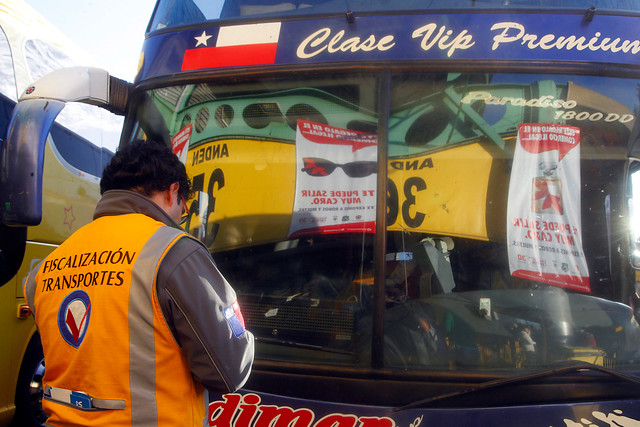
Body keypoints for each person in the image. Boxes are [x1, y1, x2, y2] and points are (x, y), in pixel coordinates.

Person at [23, 140, 254, 426]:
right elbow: (228, 370)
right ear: (172, 191)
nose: (181, 218)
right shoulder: (174, 251)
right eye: (184, 206)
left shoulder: (46, 268)